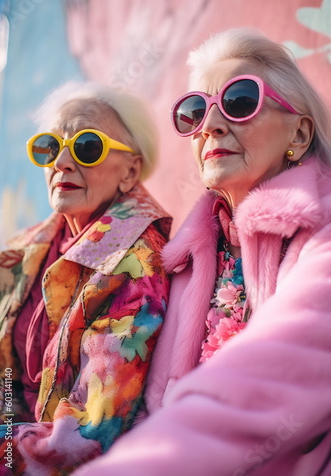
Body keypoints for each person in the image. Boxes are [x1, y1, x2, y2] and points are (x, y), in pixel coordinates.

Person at [74, 28, 331, 476]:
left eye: (238, 101)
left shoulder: (322, 230)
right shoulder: (179, 259)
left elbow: (272, 373)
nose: (210, 125)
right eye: (196, 111)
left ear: (301, 131)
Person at [0, 81, 172, 474]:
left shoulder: (138, 265)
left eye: (86, 147)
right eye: (49, 147)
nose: (60, 162)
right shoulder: (24, 250)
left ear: (130, 170)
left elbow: (85, 435)